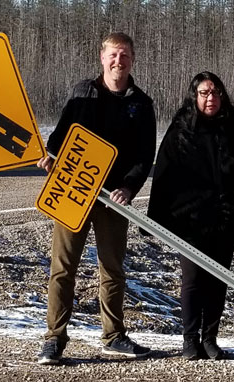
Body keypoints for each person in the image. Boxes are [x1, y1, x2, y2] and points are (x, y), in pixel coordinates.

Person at [36, 32, 156, 365]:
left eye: (125, 55)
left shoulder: (141, 103)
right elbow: (60, 137)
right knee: (62, 269)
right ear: (102, 57)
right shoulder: (82, 93)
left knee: (113, 270)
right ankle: (54, 339)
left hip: (112, 199)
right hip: (73, 193)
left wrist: (129, 188)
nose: (119, 61)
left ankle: (113, 336)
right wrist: (50, 156)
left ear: (133, 59)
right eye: (113, 55)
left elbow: (145, 156)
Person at [147, 71, 234, 361]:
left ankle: (210, 338)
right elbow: (163, 175)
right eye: (204, 93)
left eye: (214, 93)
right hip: (191, 221)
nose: (210, 98)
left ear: (221, 95)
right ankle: (190, 340)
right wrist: (158, 219)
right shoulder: (181, 129)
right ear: (194, 96)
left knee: (218, 280)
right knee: (193, 280)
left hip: (224, 218)